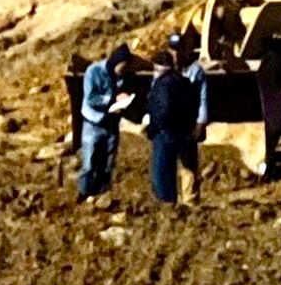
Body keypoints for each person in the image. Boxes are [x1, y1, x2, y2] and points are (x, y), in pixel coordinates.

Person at [79, 44, 136, 201]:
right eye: (121, 67)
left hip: (111, 124)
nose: (122, 71)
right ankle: (84, 193)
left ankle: (103, 195)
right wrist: (111, 101)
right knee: (90, 162)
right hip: (93, 123)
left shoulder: (122, 76)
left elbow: (122, 91)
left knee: (108, 163)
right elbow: (90, 98)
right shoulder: (93, 71)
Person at [145, 48, 200, 205]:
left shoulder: (163, 85)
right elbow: (194, 104)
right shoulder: (185, 82)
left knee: (162, 173)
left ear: (162, 67)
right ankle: (187, 202)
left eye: (155, 68)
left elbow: (163, 110)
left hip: (165, 133)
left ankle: (167, 204)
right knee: (186, 168)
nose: (154, 72)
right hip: (184, 131)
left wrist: (154, 128)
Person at [171, 33, 209, 204]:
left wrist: (201, 122)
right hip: (169, 123)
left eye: (179, 50)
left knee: (188, 165)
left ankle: (190, 201)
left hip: (187, 123)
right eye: (173, 50)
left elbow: (203, 98)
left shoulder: (195, 71)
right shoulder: (164, 70)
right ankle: (169, 200)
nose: (176, 54)